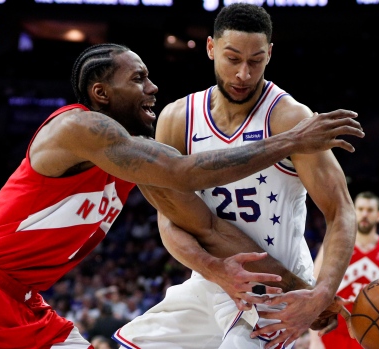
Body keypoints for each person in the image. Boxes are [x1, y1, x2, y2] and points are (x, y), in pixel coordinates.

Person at [0, 42, 364, 349]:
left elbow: (207, 226)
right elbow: (184, 172)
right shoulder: (79, 127)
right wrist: (292, 139)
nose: (153, 88)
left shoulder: (135, 163)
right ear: (101, 93)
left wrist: (303, 293)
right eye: (139, 79)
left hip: (27, 303)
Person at [114, 4, 357, 349]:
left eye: (255, 61)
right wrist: (216, 270)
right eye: (233, 59)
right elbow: (170, 221)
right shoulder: (178, 119)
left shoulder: (289, 118)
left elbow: (341, 210)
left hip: (275, 288)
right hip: (211, 281)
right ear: (211, 48)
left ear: (270, 55)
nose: (243, 73)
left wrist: (321, 292)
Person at [309, 191, 379, 349]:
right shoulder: (335, 246)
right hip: (333, 337)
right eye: (360, 209)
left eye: (369, 210)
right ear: (354, 212)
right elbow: (313, 292)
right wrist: (315, 341)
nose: (364, 214)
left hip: (373, 339)